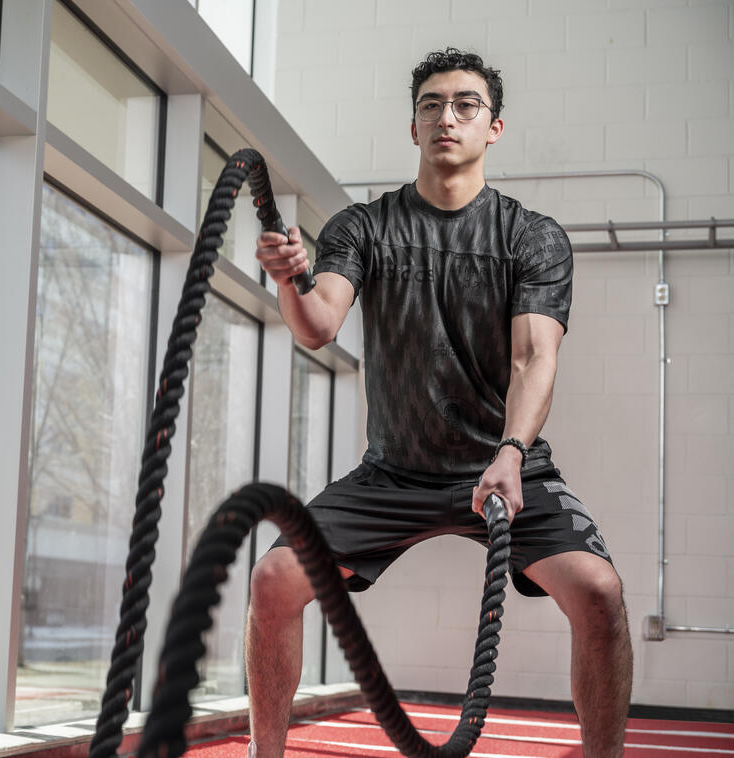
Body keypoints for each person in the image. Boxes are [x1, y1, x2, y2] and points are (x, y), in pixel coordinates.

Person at [248, 48, 632, 758]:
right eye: (430, 105)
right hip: (392, 474)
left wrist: (513, 452)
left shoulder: (530, 237)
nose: (445, 117)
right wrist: (286, 282)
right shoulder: (362, 228)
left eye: (465, 105)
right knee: (274, 580)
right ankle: (262, 753)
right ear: (413, 128)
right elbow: (318, 326)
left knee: (601, 595)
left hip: (507, 468)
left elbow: (533, 357)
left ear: (495, 128)